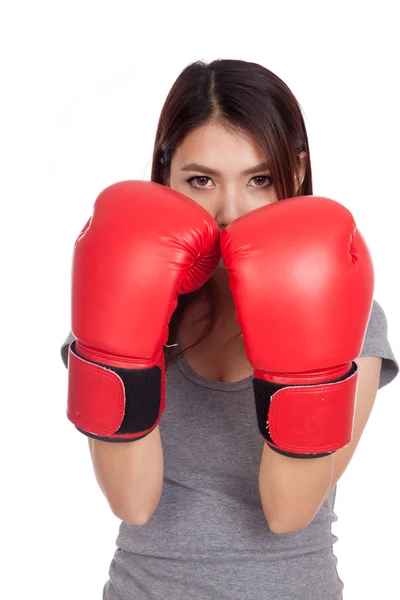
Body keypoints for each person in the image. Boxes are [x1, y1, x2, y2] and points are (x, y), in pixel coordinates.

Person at [61, 59, 399, 600]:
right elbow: (132, 501)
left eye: (259, 179)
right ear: (165, 175)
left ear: (295, 171)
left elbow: (288, 511)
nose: (230, 211)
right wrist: (126, 330)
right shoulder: (126, 288)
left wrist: (297, 327)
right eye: (201, 180)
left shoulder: (354, 316)